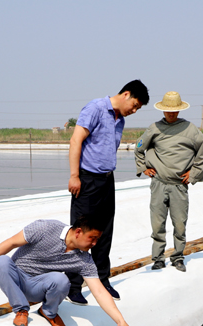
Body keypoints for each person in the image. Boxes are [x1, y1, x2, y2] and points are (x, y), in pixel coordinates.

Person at [0, 215, 133, 326]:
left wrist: (120, 320)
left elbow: (99, 291)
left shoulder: (84, 260)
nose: (95, 244)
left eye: (97, 239)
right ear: (78, 232)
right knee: (1, 262)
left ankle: (48, 312)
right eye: (92, 238)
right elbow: (10, 243)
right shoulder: (45, 228)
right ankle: (21, 310)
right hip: (15, 280)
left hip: (38, 287)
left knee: (62, 280)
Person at [66, 79, 150, 306]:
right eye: (135, 105)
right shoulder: (95, 108)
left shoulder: (120, 120)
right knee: (80, 232)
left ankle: (102, 281)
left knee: (104, 232)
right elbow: (76, 141)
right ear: (126, 94)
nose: (134, 110)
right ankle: (72, 286)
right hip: (86, 180)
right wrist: (74, 175)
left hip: (106, 180)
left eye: (138, 109)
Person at [134, 91, 203, 272]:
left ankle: (178, 257)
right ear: (163, 110)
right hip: (159, 183)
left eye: (174, 110)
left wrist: (193, 173)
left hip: (179, 185)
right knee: (157, 224)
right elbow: (139, 148)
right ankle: (158, 258)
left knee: (180, 224)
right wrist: (144, 167)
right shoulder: (154, 128)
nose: (171, 114)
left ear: (179, 110)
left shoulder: (190, 129)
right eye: (168, 110)